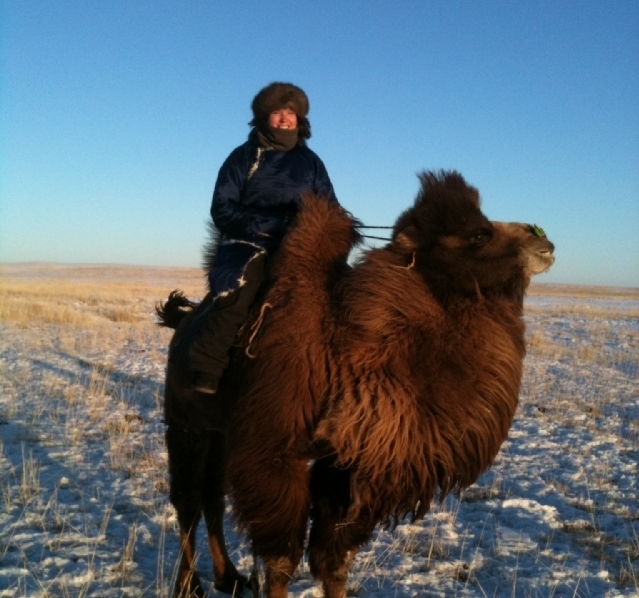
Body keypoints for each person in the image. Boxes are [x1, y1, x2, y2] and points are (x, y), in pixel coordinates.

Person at [174, 82, 338, 395]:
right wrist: (269, 224)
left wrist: (339, 228)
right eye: (278, 112)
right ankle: (208, 366)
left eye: (291, 113)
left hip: (302, 245)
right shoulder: (243, 157)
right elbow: (221, 207)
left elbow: (330, 204)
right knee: (238, 290)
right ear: (264, 117)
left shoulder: (312, 163)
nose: (285, 119)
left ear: (300, 120)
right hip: (249, 242)